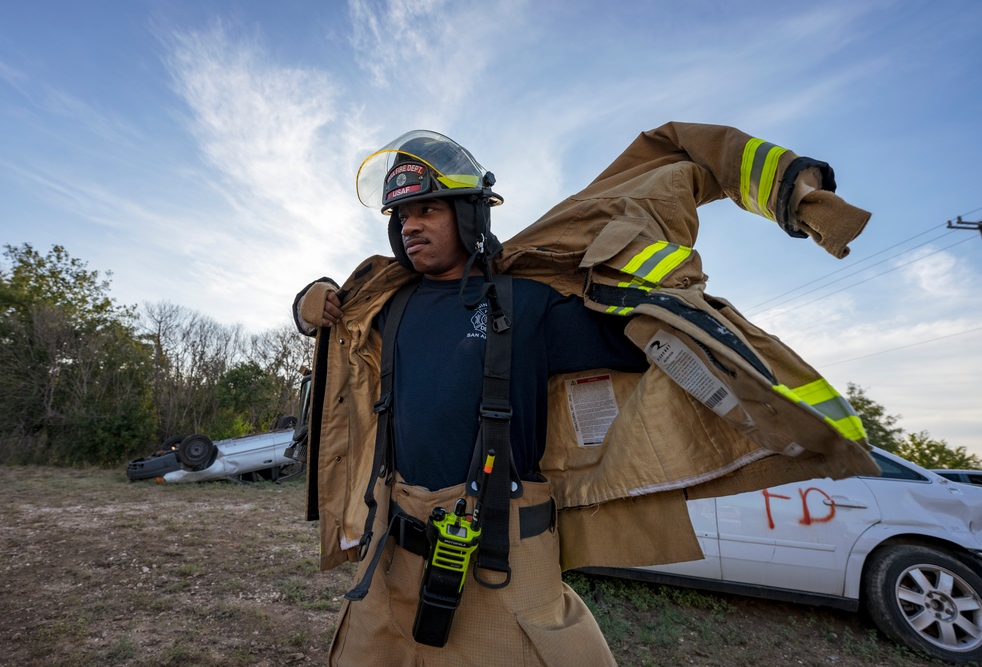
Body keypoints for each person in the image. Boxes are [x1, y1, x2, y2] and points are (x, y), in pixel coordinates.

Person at [294, 125, 880, 666]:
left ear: (472, 215)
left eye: (428, 209)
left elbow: (642, 340)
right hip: (387, 562)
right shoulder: (384, 306)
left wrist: (659, 280)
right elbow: (333, 333)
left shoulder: (528, 301)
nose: (410, 226)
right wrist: (307, 302)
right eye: (400, 216)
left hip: (500, 566)